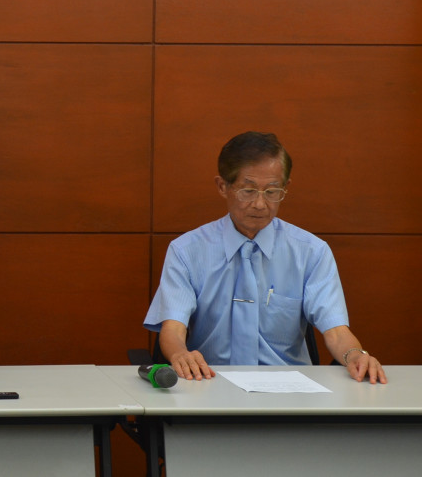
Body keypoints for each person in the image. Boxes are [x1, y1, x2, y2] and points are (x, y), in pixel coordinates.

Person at [144, 131, 386, 384]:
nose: (260, 204)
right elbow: (173, 328)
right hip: (210, 383)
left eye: (272, 192)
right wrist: (181, 355)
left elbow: (336, 332)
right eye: (248, 190)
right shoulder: (186, 251)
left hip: (290, 391)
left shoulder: (311, 252)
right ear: (222, 186)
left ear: (285, 187)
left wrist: (355, 355)